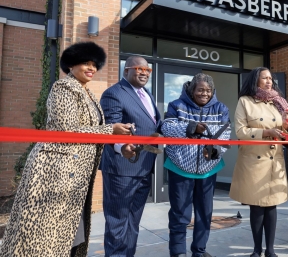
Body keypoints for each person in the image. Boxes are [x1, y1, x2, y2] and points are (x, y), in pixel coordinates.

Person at [0, 42, 132, 257]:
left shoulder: (86, 92)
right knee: (44, 236)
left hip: (74, 174)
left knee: (68, 233)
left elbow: (90, 132)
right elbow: (67, 130)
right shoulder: (64, 87)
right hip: (55, 173)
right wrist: (110, 129)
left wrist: (117, 137)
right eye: (85, 63)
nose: (91, 68)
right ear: (71, 65)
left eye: (94, 65)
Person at [161, 73, 231, 257]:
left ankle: (199, 250)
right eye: (200, 90)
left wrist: (215, 150)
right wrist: (190, 128)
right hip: (180, 167)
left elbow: (225, 134)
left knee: (204, 214)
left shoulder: (220, 108)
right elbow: (167, 129)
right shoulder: (177, 105)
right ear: (192, 90)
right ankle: (178, 252)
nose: (204, 94)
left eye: (208, 91)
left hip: (209, 170)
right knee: (180, 214)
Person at [100, 56, 162, 256]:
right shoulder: (114, 93)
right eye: (139, 68)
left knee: (133, 221)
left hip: (144, 167)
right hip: (122, 168)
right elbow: (112, 126)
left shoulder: (147, 94)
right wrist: (121, 147)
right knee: (118, 221)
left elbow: (153, 125)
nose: (144, 72)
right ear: (126, 70)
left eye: (148, 70)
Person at [230, 67, 288, 257]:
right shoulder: (245, 101)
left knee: (271, 206)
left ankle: (270, 250)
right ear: (255, 80)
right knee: (256, 207)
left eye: (271, 78)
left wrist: (287, 124)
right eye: (264, 78)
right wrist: (266, 132)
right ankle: (257, 249)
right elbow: (240, 132)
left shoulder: (278, 103)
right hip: (254, 162)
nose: (269, 81)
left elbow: (287, 134)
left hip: (275, 161)